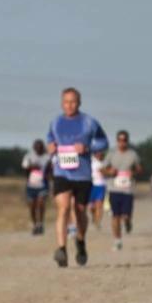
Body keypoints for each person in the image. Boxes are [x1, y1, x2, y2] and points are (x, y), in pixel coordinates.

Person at [47, 87, 108, 267]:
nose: (69, 105)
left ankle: (80, 242)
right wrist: (50, 146)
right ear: (61, 103)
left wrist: (88, 148)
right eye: (66, 102)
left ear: (79, 103)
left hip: (82, 175)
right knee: (64, 208)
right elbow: (50, 139)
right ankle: (62, 249)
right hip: (61, 173)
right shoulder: (56, 122)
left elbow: (103, 141)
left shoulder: (89, 122)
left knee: (80, 211)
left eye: (73, 101)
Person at [102, 130, 142, 251]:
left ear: (127, 141)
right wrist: (109, 172)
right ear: (117, 141)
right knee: (115, 216)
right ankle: (117, 240)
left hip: (128, 189)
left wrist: (133, 173)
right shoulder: (111, 154)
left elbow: (139, 169)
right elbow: (102, 169)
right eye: (120, 140)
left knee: (125, 216)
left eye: (124, 140)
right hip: (114, 188)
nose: (122, 142)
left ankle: (128, 222)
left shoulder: (133, 154)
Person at [22, 139, 52, 235]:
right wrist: (32, 166)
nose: (38, 148)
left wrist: (49, 175)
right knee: (32, 206)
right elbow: (24, 167)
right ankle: (35, 224)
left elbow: (51, 168)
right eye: (37, 147)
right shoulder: (28, 156)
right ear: (34, 147)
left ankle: (41, 223)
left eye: (40, 146)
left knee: (40, 203)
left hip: (43, 185)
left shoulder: (47, 157)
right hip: (31, 185)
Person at [88, 151, 107, 229]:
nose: (99, 154)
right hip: (91, 186)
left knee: (99, 205)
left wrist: (105, 171)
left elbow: (106, 172)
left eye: (101, 153)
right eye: (97, 152)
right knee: (91, 207)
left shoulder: (105, 162)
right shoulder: (90, 160)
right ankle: (94, 216)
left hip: (101, 186)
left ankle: (98, 222)